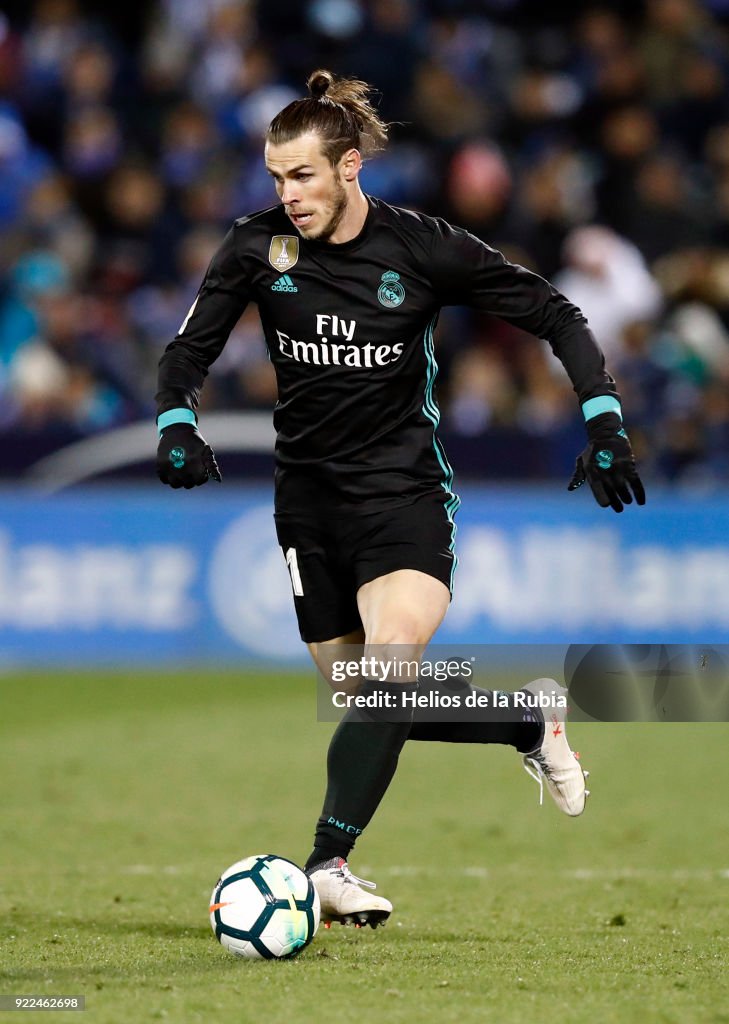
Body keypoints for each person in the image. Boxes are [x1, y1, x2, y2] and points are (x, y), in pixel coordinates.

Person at [155, 69, 645, 928]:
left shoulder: (421, 247)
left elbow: (556, 314)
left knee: (384, 679)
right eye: (274, 177)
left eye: (301, 175)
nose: (286, 195)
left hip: (402, 494)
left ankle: (327, 863)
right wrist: (175, 423)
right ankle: (526, 719)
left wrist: (603, 421)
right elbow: (186, 351)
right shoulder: (255, 247)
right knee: (368, 700)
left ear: (349, 167)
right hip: (307, 502)